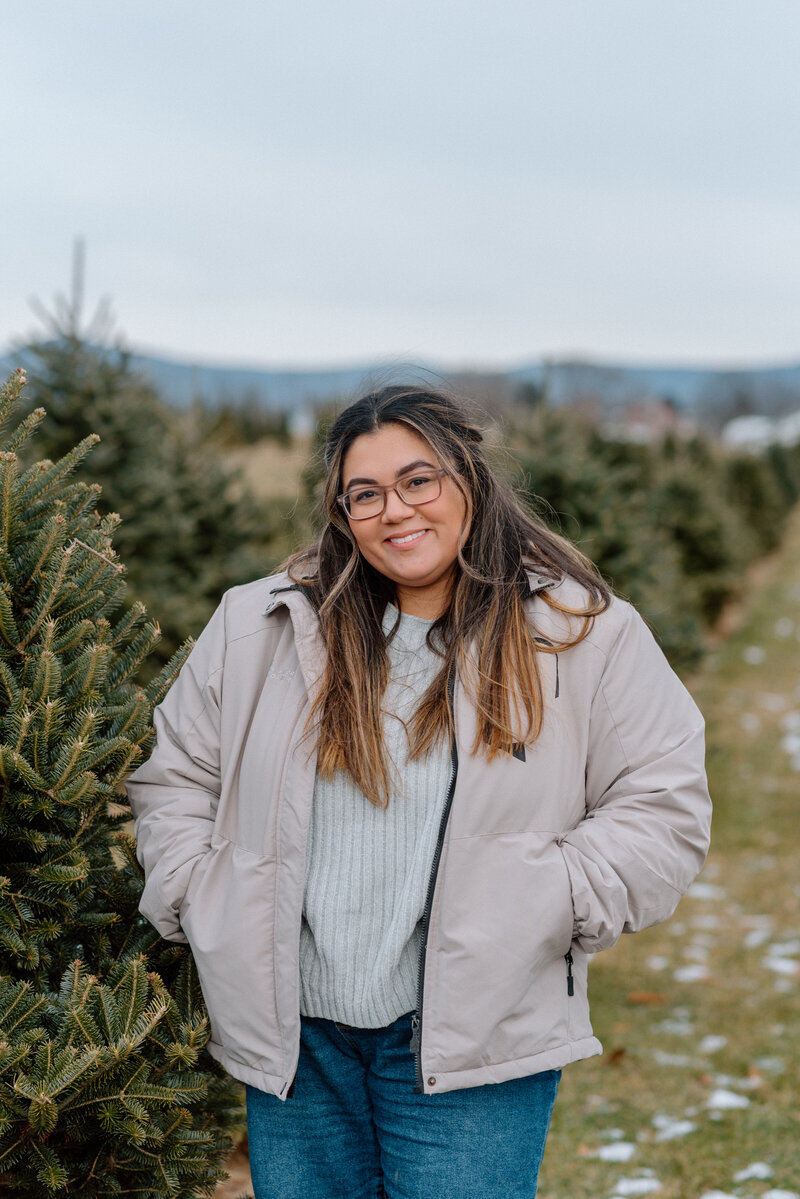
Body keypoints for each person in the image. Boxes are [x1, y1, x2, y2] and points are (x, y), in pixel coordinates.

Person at [127, 385, 711, 1199]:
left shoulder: (581, 631)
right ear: (341, 512)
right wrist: (202, 898)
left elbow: (664, 802)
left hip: (470, 1034)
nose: (393, 510)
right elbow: (177, 776)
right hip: (297, 1042)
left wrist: (549, 901)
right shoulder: (259, 624)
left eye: (418, 481)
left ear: (468, 478)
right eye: (364, 493)